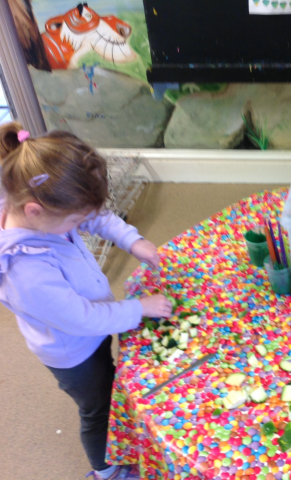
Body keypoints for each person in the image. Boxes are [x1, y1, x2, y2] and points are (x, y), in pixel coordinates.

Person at [0, 122, 173, 480]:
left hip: (87, 332)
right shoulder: (26, 273)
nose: (82, 223)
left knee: (111, 383)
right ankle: (106, 470)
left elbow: (96, 215)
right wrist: (140, 308)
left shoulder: (47, 207)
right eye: (75, 220)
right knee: (99, 409)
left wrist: (131, 240)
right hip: (72, 351)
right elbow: (83, 319)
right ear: (34, 212)